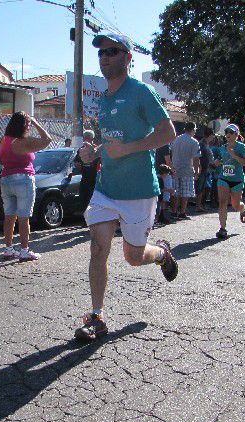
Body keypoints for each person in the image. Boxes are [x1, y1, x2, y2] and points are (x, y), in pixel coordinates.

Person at [76, 33, 179, 341]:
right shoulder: (103, 100)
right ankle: (97, 317)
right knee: (98, 248)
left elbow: (168, 133)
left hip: (139, 190)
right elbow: (110, 144)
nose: (104, 57)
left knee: (133, 257)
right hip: (107, 188)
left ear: (127, 58)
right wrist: (93, 153)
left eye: (112, 51)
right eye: (101, 53)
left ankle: (160, 253)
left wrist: (131, 148)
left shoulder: (141, 92)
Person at [0, 112, 52, 261]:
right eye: (28, 125)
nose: (29, 127)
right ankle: (24, 250)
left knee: (9, 216)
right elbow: (47, 139)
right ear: (23, 125)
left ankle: (8, 248)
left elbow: (0, 160)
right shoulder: (23, 141)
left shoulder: (4, 140)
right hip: (23, 179)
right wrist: (35, 122)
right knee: (24, 217)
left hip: (6, 179)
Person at [215, 124, 245, 239]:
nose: (228, 135)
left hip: (237, 180)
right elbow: (221, 160)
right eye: (226, 132)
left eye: (230, 132)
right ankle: (223, 228)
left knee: (235, 205)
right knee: (222, 202)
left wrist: (234, 155)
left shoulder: (241, 147)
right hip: (223, 178)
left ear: (236, 134)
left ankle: (243, 208)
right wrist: (217, 162)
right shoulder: (222, 147)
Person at [168, 122, 200, 219]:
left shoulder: (176, 139)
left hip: (175, 168)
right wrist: (197, 170)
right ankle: (182, 212)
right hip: (187, 169)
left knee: (175, 191)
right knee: (185, 192)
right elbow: (196, 158)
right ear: (193, 129)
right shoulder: (194, 142)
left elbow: (171, 152)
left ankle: (174, 211)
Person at [73, 129, 100, 213]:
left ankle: (94, 217)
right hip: (85, 178)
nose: (85, 139)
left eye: (87, 138)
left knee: (93, 199)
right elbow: (76, 162)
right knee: (83, 198)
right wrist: (78, 166)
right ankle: (85, 218)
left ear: (92, 138)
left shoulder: (97, 149)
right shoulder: (81, 150)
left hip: (96, 179)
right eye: (85, 137)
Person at [196, 129, 215, 211]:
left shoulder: (206, 144)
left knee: (205, 188)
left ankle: (201, 205)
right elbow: (200, 157)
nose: (213, 137)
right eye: (213, 135)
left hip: (207, 169)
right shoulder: (202, 144)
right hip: (203, 169)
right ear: (210, 135)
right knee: (200, 188)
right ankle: (198, 206)